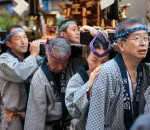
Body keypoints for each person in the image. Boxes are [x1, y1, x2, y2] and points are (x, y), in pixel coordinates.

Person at [86, 17, 150, 130]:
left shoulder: (146, 70)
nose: (143, 43)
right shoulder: (107, 72)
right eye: (137, 38)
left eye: (146, 38)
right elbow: (95, 120)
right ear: (121, 45)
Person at [24, 37, 73, 130]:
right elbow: (36, 116)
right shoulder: (39, 78)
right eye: (55, 62)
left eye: (64, 62)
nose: (60, 67)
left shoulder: (70, 69)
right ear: (47, 55)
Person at [65, 31, 110, 130]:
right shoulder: (76, 80)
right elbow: (73, 110)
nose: (99, 66)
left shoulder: (113, 78)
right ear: (86, 57)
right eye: (94, 60)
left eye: (104, 61)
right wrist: (88, 86)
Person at [0, 24, 41, 130]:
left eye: (25, 37)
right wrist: (33, 55)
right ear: (9, 43)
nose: (23, 42)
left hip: (31, 116)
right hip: (12, 119)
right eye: (18, 38)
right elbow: (20, 73)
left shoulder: (31, 57)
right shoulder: (4, 59)